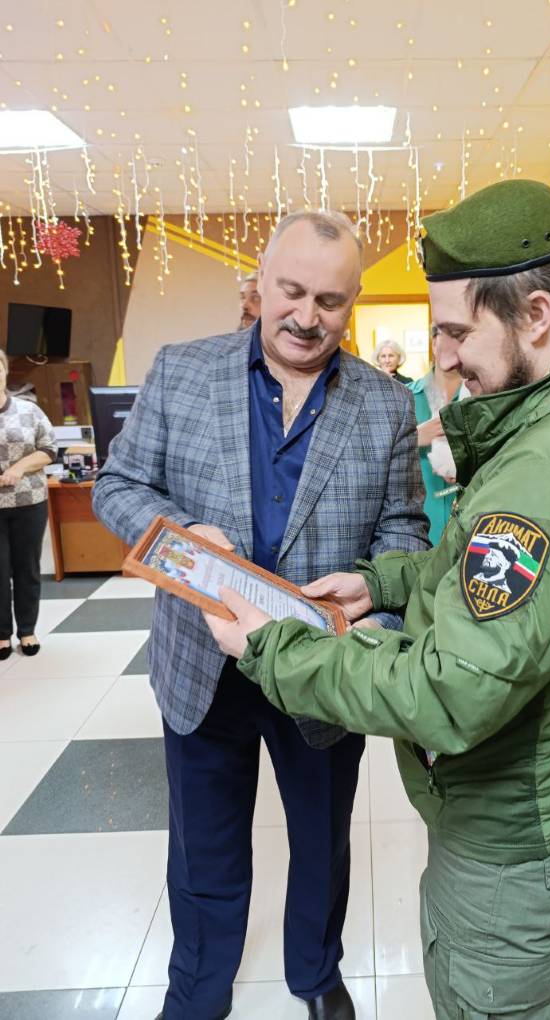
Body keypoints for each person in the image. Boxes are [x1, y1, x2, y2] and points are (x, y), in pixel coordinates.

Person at [204, 180, 550, 1020]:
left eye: (458, 331)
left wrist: (271, 647)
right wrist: (385, 581)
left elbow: (451, 690)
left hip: (513, 825)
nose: (445, 355)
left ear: (536, 315)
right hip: (533, 798)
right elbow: (486, 573)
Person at [93, 210, 429, 1020]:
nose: (307, 316)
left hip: (321, 671)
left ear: (351, 303)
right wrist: (179, 534)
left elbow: (405, 533)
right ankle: (197, 992)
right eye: (291, 291)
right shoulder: (182, 371)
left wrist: (371, 605)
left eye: (330, 300)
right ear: (260, 281)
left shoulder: (386, 404)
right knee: (203, 850)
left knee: (322, 842)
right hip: (201, 666)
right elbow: (118, 486)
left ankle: (315, 977)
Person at [0, 349, 57, 659]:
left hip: (28, 502)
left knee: (27, 568)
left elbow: (49, 450)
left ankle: (26, 630)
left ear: (5, 371)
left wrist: (19, 468)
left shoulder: (29, 411)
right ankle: (1, 634)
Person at [407, 335, 465, 544]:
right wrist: (411, 438)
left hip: (468, 521)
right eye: (446, 335)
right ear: (433, 343)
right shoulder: (404, 397)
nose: (453, 345)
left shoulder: (482, 399)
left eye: (460, 336)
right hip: (417, 525)